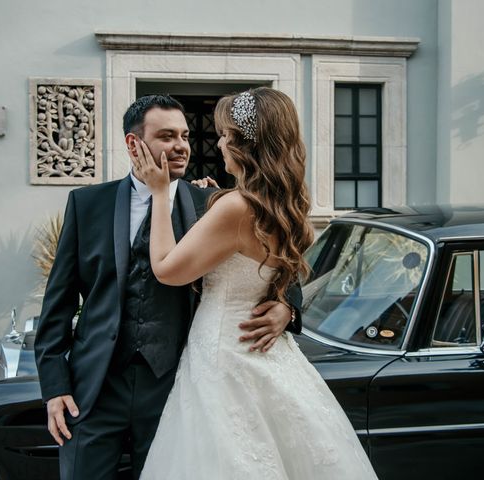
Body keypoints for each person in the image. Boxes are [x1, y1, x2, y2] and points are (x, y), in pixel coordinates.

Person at [34, 94, 302, 479]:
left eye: (185, 135)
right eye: (166, 136)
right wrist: (54, 387)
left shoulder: (212, 202)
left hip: (176, 387)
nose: (181, 146)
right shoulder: (87, 203)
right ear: (134, 144)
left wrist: (286, 307)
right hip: (93, 390)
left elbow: (277, 262)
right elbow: (57, 303)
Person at [134, 87, 378, 479]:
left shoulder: (235, 207)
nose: (220, 142)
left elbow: (166, 269)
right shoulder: (284, 206)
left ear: (246, 145)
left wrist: (160, 194)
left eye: (226, 135)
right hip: (267, 355)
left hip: (225, 355)